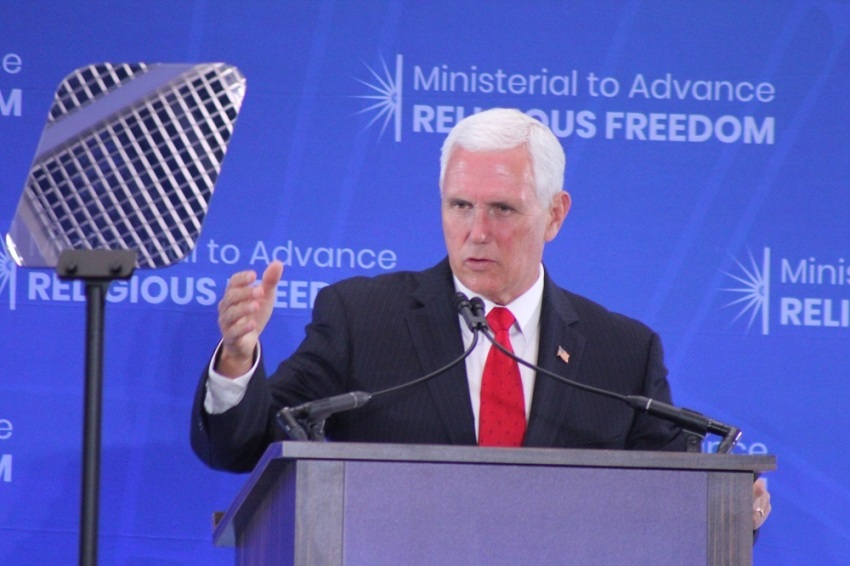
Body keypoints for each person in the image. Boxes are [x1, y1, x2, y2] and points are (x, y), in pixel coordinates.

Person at [190, 108, 771, 529]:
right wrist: (238, 362)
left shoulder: (622, 351)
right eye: (460, 205)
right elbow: (249, 447)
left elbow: (678, 491)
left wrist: (730, 502)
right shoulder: (362, 317)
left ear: (554, 214)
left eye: (502, 209)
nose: (477, 232)